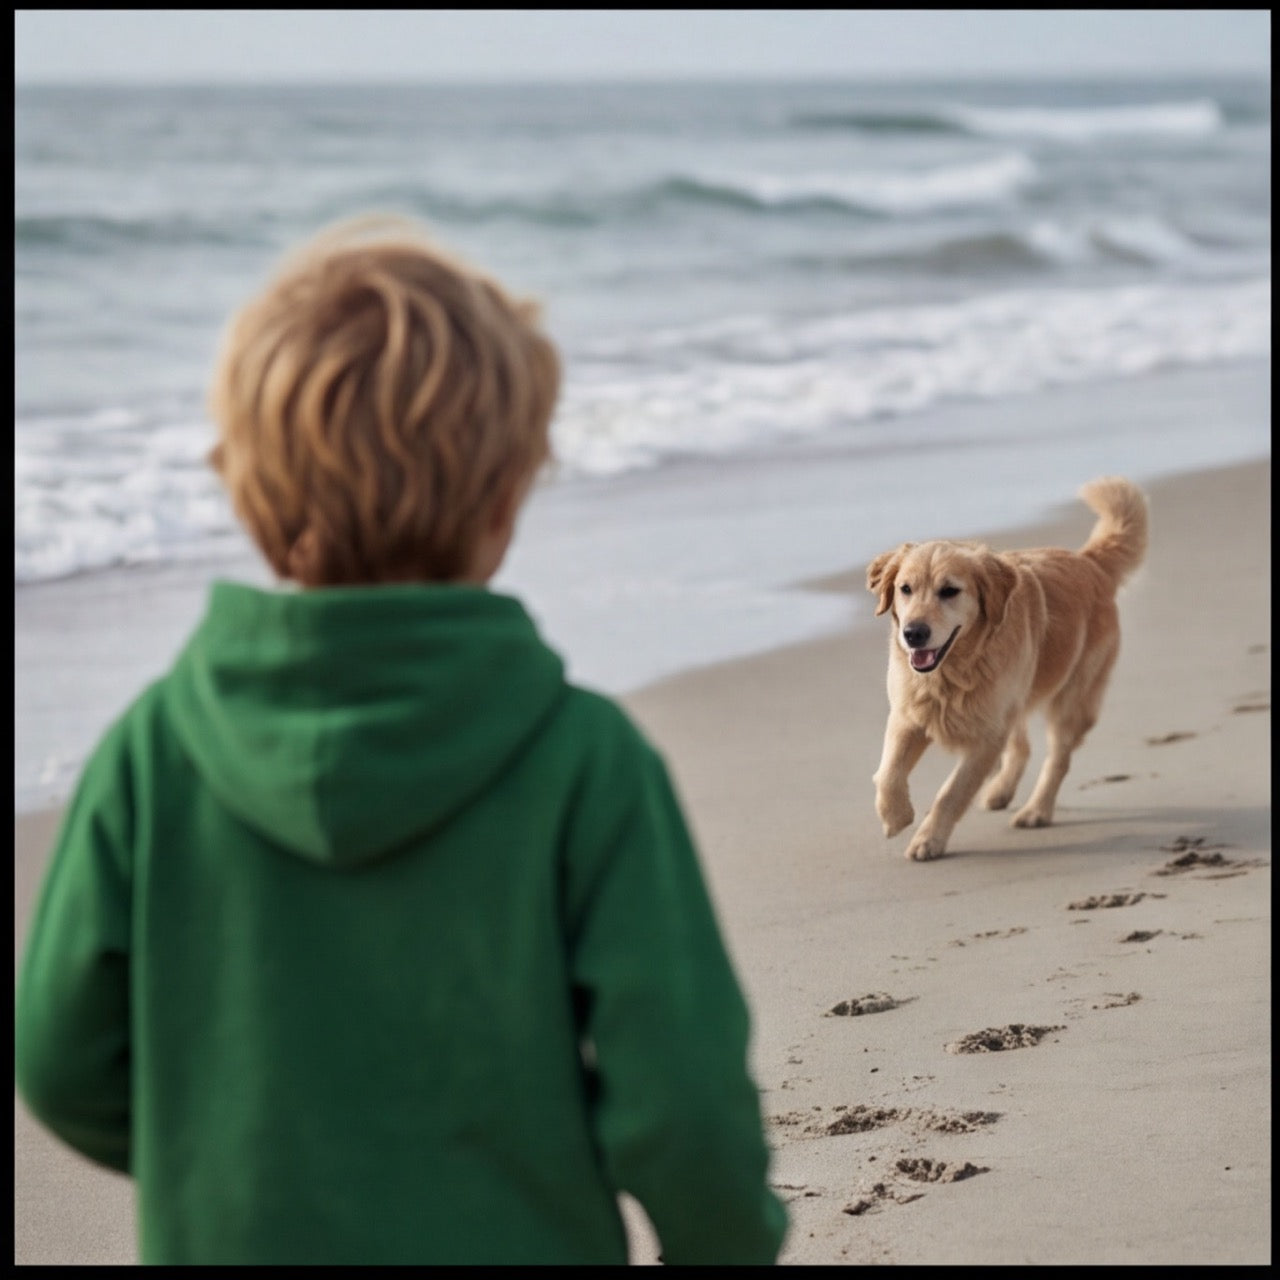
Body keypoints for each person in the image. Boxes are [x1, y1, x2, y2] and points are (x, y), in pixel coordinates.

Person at [14, 217, 789, 1265]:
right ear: (505, 497)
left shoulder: (153, 752)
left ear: (245, 488)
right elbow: (682, 1099)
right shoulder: (582, 758)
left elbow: (61, 1057)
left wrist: (238, 1159)